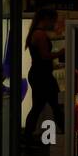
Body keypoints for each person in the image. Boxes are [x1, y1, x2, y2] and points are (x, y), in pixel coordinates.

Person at [22, 8, 63, 145]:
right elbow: (45, 56)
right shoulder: (40, 35)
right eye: (53, 20)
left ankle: (27, 137)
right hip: (43, 76)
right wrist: (60, 53)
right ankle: (65, 133)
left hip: (38, 74)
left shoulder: (35, 33)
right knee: (55, 106)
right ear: (46, 19)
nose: (54, 24)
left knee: (38, 107)